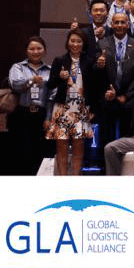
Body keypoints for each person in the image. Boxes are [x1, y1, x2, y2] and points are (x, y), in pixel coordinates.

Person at [46, 32, 92, 176]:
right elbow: (50, 84)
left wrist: (93, 109)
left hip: (81, 109)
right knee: (62, 146)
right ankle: (63, 178)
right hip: (62, 108)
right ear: (67, 43)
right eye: (72, 41)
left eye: (79, 41)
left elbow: (94, 87)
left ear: (83, 44)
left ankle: (75, 178)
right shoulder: (59, 60)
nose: (75, 44)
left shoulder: (89, 61)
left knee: (79, 146)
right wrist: (59, 77)